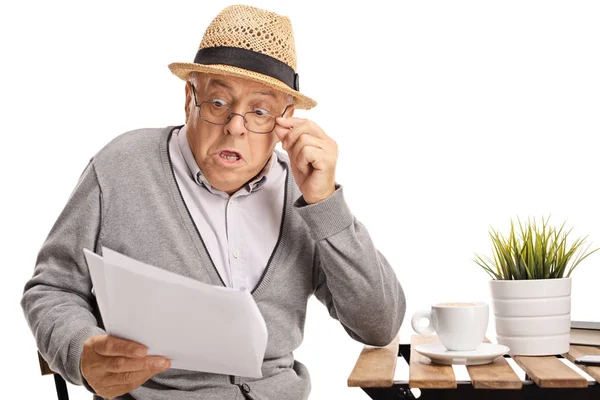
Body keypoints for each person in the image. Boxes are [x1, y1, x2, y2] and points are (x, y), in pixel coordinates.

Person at [21, 5, 406, 400]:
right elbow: (52, 288)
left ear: (286, 119)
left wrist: (326, 204)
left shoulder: (302, 194)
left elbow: (378, 325)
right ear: (190, 97)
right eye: (219, 102)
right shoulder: (121, 169)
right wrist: (82, 352)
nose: (235, 126)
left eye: (259, 110)